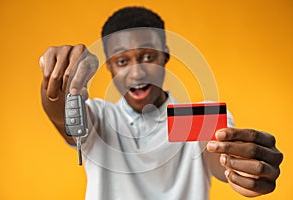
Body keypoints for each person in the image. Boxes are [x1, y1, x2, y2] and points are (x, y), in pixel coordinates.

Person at [39, 6, 283, 200]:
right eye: (122, 61)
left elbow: (217, 157)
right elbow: (60, 113)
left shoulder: (197, 117)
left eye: (147, 56)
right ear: (109, 67)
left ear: (165, 56)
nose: (136, 74)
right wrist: (59, 83)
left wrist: (241, 171)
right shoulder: (100, 118)